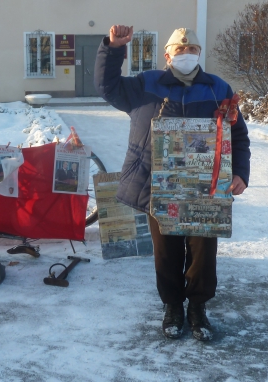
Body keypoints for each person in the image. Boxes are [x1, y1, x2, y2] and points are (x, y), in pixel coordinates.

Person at [94, 25, 250, 342]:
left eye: (191, 50)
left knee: (202, 251)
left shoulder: (218, 89)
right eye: (179, 51)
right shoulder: (147, 85)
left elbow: (239, 135)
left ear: (199, 55)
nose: (186, 55)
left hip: (205, 188)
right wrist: (112, 48)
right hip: (158, 184)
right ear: (168, 55)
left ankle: (197, 308)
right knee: (166, 252)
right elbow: (106, 87)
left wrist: (240, 172)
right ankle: (173, 307)